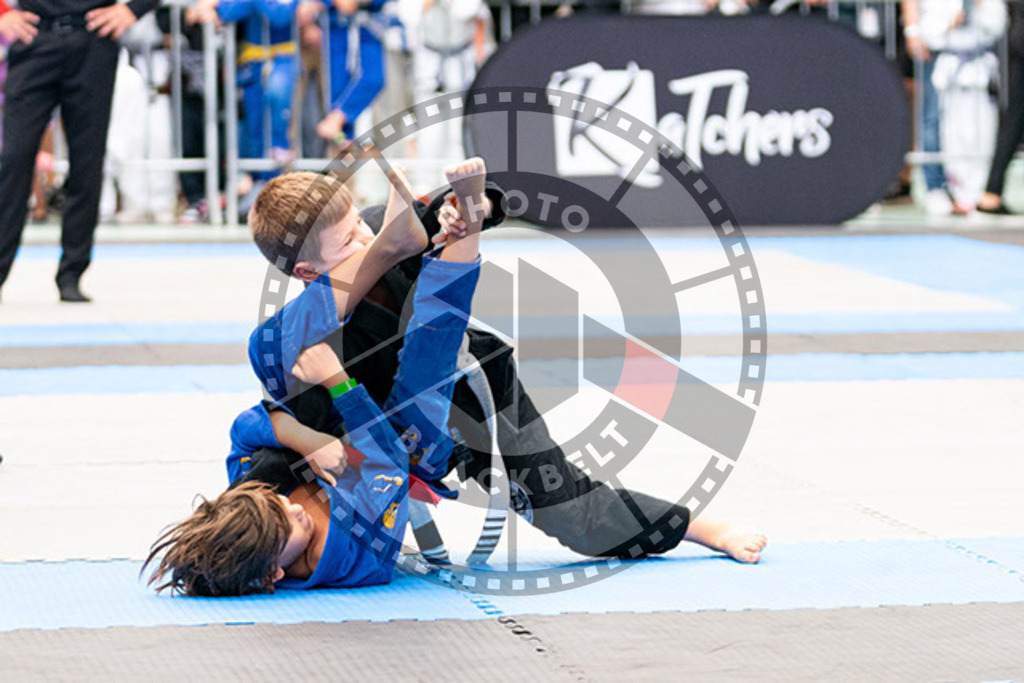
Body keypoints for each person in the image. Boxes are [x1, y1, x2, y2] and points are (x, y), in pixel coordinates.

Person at [245, 158, 766, 565]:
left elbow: (484, 202)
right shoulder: (294, 337)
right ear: (310, 271)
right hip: (385, 428)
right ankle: (236, 540)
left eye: (363, 226)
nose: (367, 237)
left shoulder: (388, 226)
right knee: (274, 424)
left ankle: (700, 527)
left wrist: (471, 209)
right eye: (349, 241)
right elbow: (275, 399)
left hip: (473, 390)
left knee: (569, 511)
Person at [146, 190, 484, 595]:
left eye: (276, 505)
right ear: (272, 576)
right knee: (422, 376)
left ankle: (392, 246)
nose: (288, 506)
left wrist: (306, 441)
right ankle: (465, 237)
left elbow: (245, 429)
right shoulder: (355, 552)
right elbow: (387, 460)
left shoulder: (249, 508)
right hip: (409, 447)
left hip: (343, 413)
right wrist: (336, 380)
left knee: (267, 347)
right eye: (286, 521)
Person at [0, 0, 159, 303]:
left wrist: (132, 10)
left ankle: (72, 271)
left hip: (93, 40)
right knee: (14, 158)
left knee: (87, 160)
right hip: (35, 36)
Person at [978, 1, 1024, 215]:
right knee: (1012, 119)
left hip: (1016, 36)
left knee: (1011, 119)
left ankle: (992, 191)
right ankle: (992, 192)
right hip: (1018, 38)